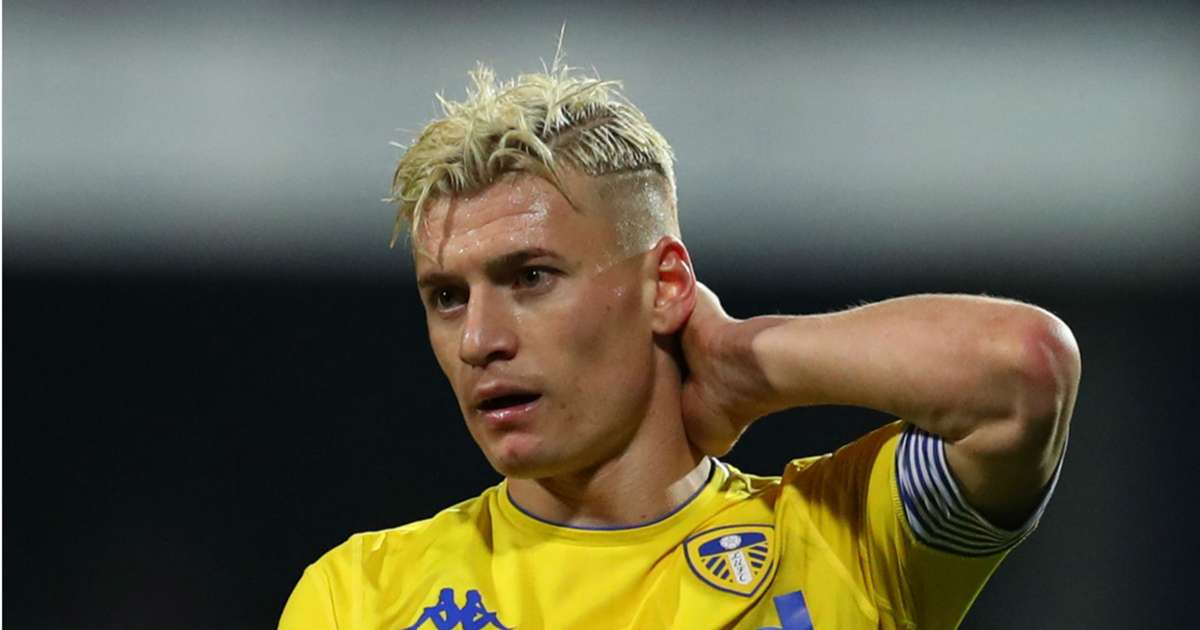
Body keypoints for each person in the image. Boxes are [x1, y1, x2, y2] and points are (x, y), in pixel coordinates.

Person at [279, 61, 1080, 630]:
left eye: (530, 277)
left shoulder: (843, 543)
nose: (480, 341)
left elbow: (1023, 371)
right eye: (447, 298)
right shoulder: (363, 598)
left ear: (665, 287)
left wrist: (749, 362)